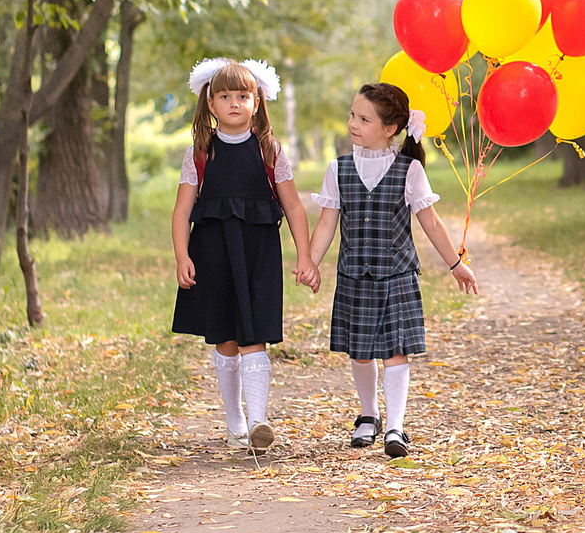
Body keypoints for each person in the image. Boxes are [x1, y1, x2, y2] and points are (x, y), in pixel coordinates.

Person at [304, 82, 478, 458]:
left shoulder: (409, 170)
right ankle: (369, 416)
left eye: (363, 118)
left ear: (390, 129)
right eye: (352, 114)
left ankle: (396, 427)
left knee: (395, 353)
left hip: (396, 277)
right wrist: (310, 262)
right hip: (354, 278)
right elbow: (326, 224)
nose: (353, 123)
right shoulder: (338, 170)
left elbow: (431, 223)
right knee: (360, 353)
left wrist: (456, 264)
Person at [171, 58, 318, 451]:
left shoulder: (270, 151)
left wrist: (305, 257)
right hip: (213, 254)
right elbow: (183, 210)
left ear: (257, 101)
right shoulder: (200, 154)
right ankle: (235, 421)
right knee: (225, 338)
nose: (234, 102)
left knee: (255, 335)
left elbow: (294, 207)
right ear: (210, 103)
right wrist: (182, 256)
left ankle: (258, 422)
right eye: (225, 96)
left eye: (243, 95)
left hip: (259, 255)